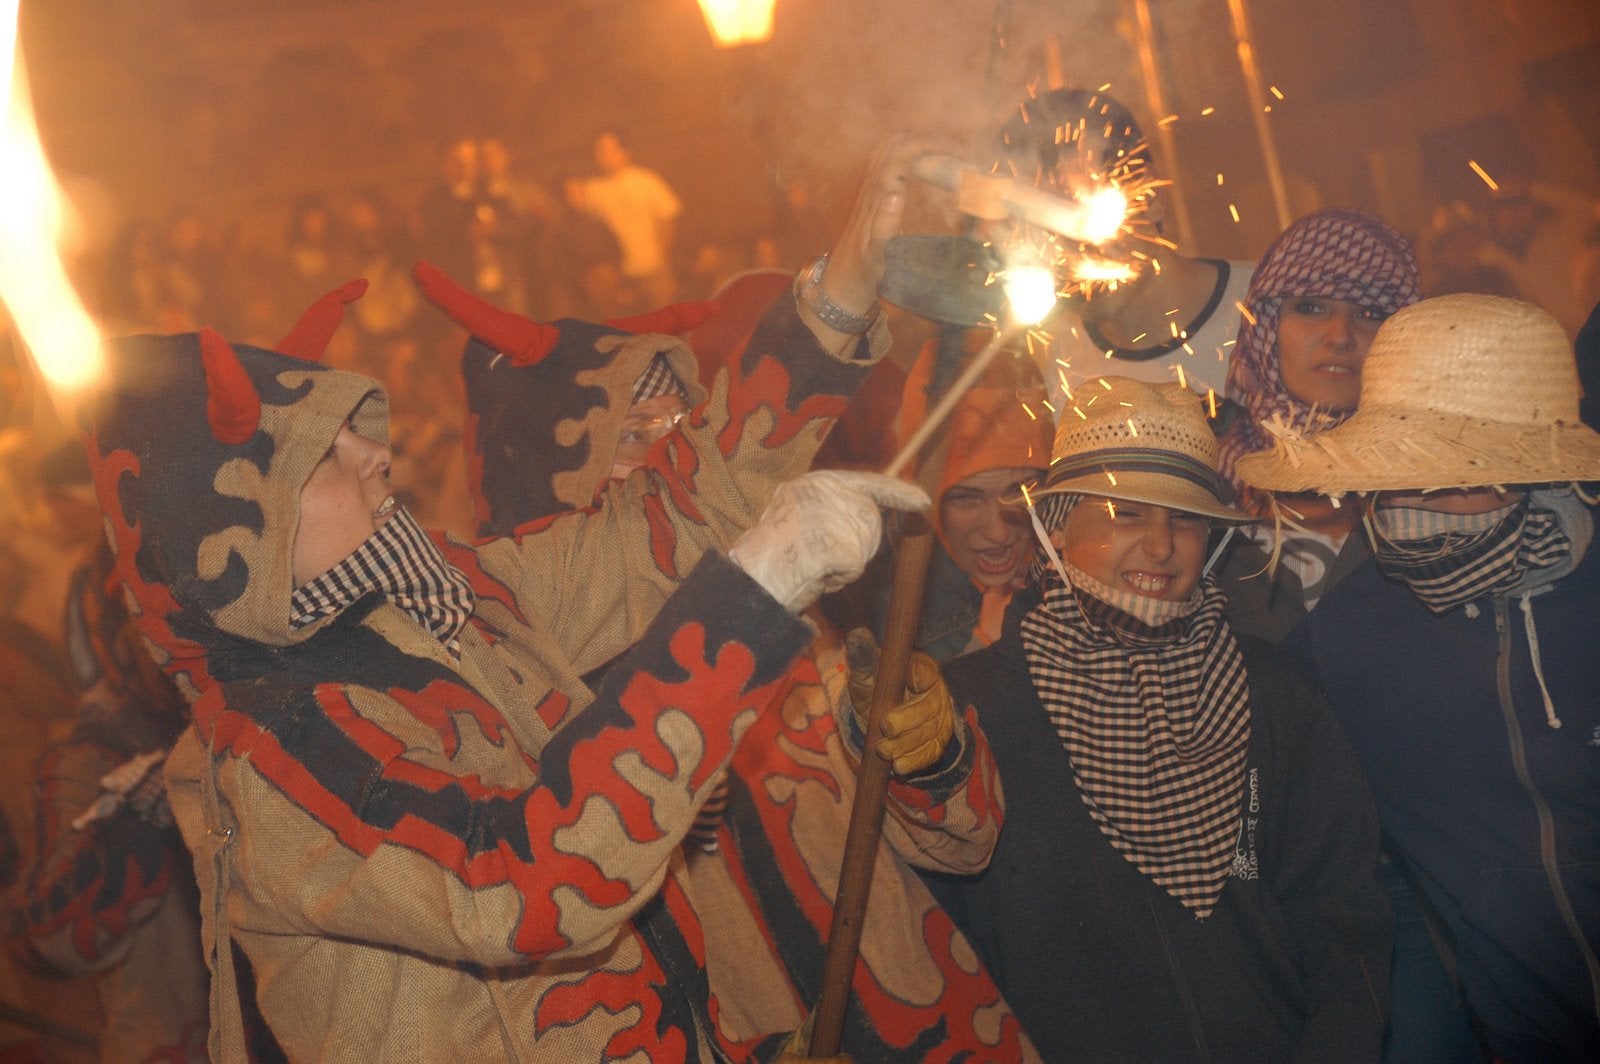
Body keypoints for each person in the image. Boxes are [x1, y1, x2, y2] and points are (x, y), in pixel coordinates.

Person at [82, 137, 930, 1062]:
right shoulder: (261, 748)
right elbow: (514, 883)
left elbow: (673, 516)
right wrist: (756, 591)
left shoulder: (460, 597)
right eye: (322, 453)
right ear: (235, 534)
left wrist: (838, 297)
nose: (376, 451)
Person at [454, 259, 1036, 1061]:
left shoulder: (781, 622)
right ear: (548, 476)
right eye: (632, 436)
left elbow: (965, 841)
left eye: (678, 426)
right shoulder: (512, 719)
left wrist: (928, 757)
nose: (670, 457)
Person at [926, 376, 1392, 1063]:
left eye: (1185, 518)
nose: (1161, 546)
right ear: (1057, 527)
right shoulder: (971, 710)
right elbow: (950, 946)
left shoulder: (1272, 690)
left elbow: (1341, 912)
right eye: (1125, 514)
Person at [1235, 293, 1600, 1064]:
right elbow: (1262, 819)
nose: (1405, 505)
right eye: (1392, 476)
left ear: (1526, 471)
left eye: (1441, 475)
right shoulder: (1341, 643)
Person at [7, 542, 210, 1063]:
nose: (167, 651)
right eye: (146, 634)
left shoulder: (250, 731)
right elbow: (51, 941)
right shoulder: (90, 762)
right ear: (113, 643)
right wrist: (136, 817)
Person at [1213, 208, 1421, 644]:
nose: (1340, 335)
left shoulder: (1441, 479)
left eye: (1370, 313)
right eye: (1311, 307)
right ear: (1267, 326)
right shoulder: (1204, 476)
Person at [1002, 89, 1255, 401]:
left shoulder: (1270, 306)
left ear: (1148, 196)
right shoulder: (1063, 358)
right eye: (1041, 225)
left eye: (1075, 209)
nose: (1067, 247)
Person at [822, 346, 1054, 662]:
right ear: (921, 494)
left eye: (1019, 491)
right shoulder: (866, 595)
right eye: (967, 499)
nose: (999, 533)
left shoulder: (1074, 563)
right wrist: (986, 650)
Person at [576, 132, 683, 313]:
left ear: (625, 152)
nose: (604, 156)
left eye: (610, 150)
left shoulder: (647, 180)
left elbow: (668, 220)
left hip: (653, 271)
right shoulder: (592, 190)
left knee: (664, 327)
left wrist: (662, 258)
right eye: (600, 151)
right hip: (618, 276)